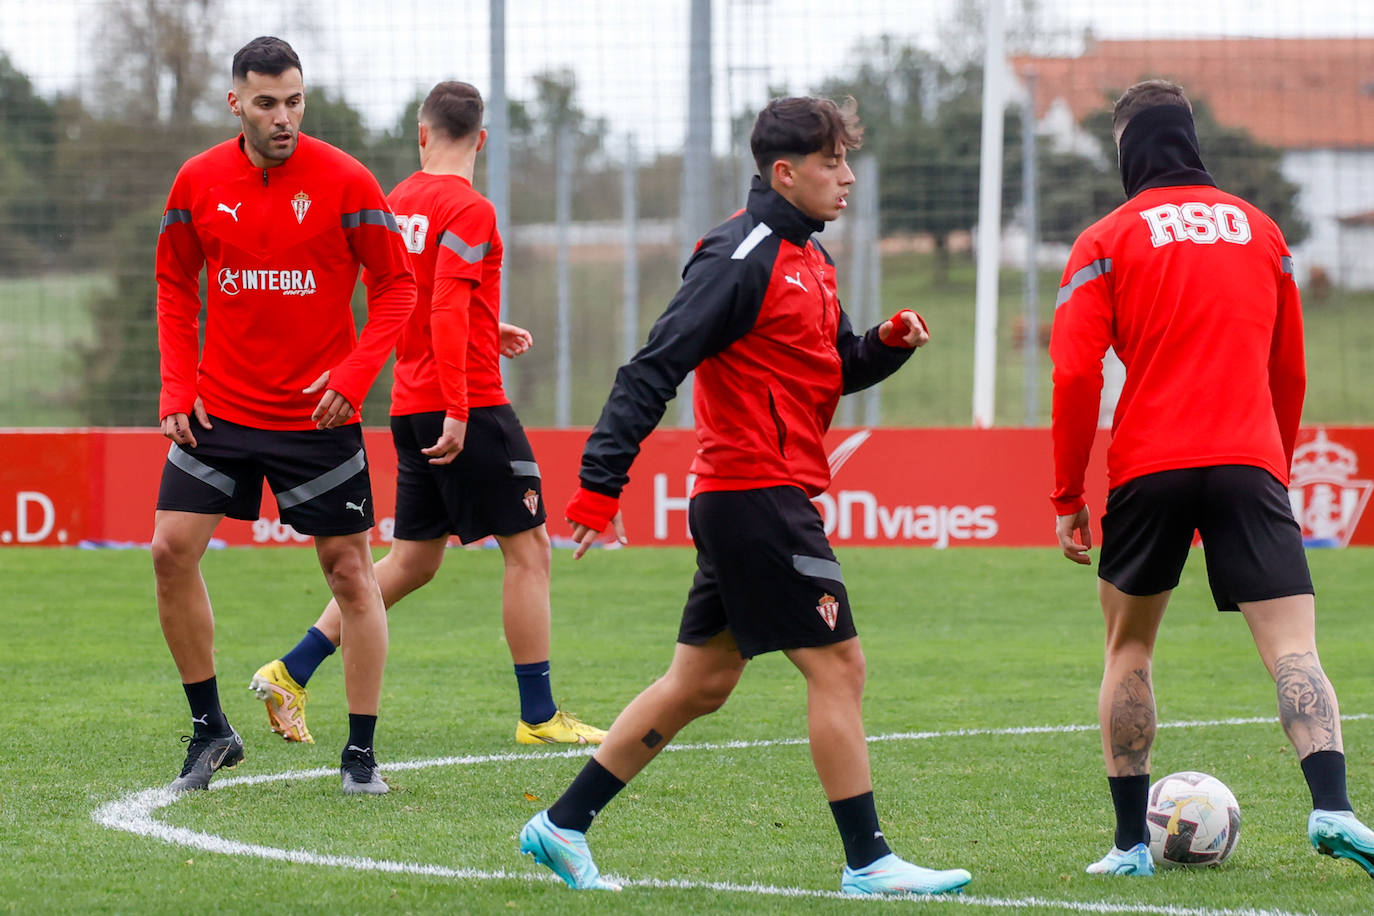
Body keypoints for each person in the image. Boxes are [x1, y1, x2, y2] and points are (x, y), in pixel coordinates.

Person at [517, 96, 971, 896]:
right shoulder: (740, 255)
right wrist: (597, 489)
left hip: (761, 492)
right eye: (833, 163)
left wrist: (884, 346)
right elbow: (651, 368)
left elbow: (831, 366)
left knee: (701, 684)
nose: (847, 177)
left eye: (847, 160)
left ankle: (561, 826)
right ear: (785, 172)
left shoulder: (810, 259)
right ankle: (869, 863)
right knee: (840, 666)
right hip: (755, 492)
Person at [1050, 79, 1374, 878]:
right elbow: (1288, 370)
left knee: (1129, 650)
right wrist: (1275, 463)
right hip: (1248, 459)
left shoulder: (1106, 237)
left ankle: (1130, 847)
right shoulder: (1263, 233)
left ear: (1127, 150)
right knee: (1294, 647)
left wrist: (1067, 495)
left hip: (1148, 465)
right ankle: (1332, 807)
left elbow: (1072, 376)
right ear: (1190, 141)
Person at [250, 81, 606, 749]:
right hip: (459, 401)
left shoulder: (394, 203)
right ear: (483, 139)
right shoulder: (470, 208)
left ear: (421, 135)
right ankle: (539, 714)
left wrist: (483, 324)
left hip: (410, 404)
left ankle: (290, 670)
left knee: (412, 560)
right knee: (530, 551)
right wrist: (463, 404)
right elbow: (443, 302)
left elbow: (401, 297)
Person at [153, 36, 416, 795]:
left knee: (351, 577)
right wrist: (177, 389)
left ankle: (360, 755)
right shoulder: (198, 180)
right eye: (266, 103)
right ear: (236, 102)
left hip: (318, 416)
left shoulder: (347, 180)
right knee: (170, 551)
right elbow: (175, 284)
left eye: (294, 101)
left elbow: (396, 287)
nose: (283, 117)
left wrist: (356, 374)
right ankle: (210, 731)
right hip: (221, 409)